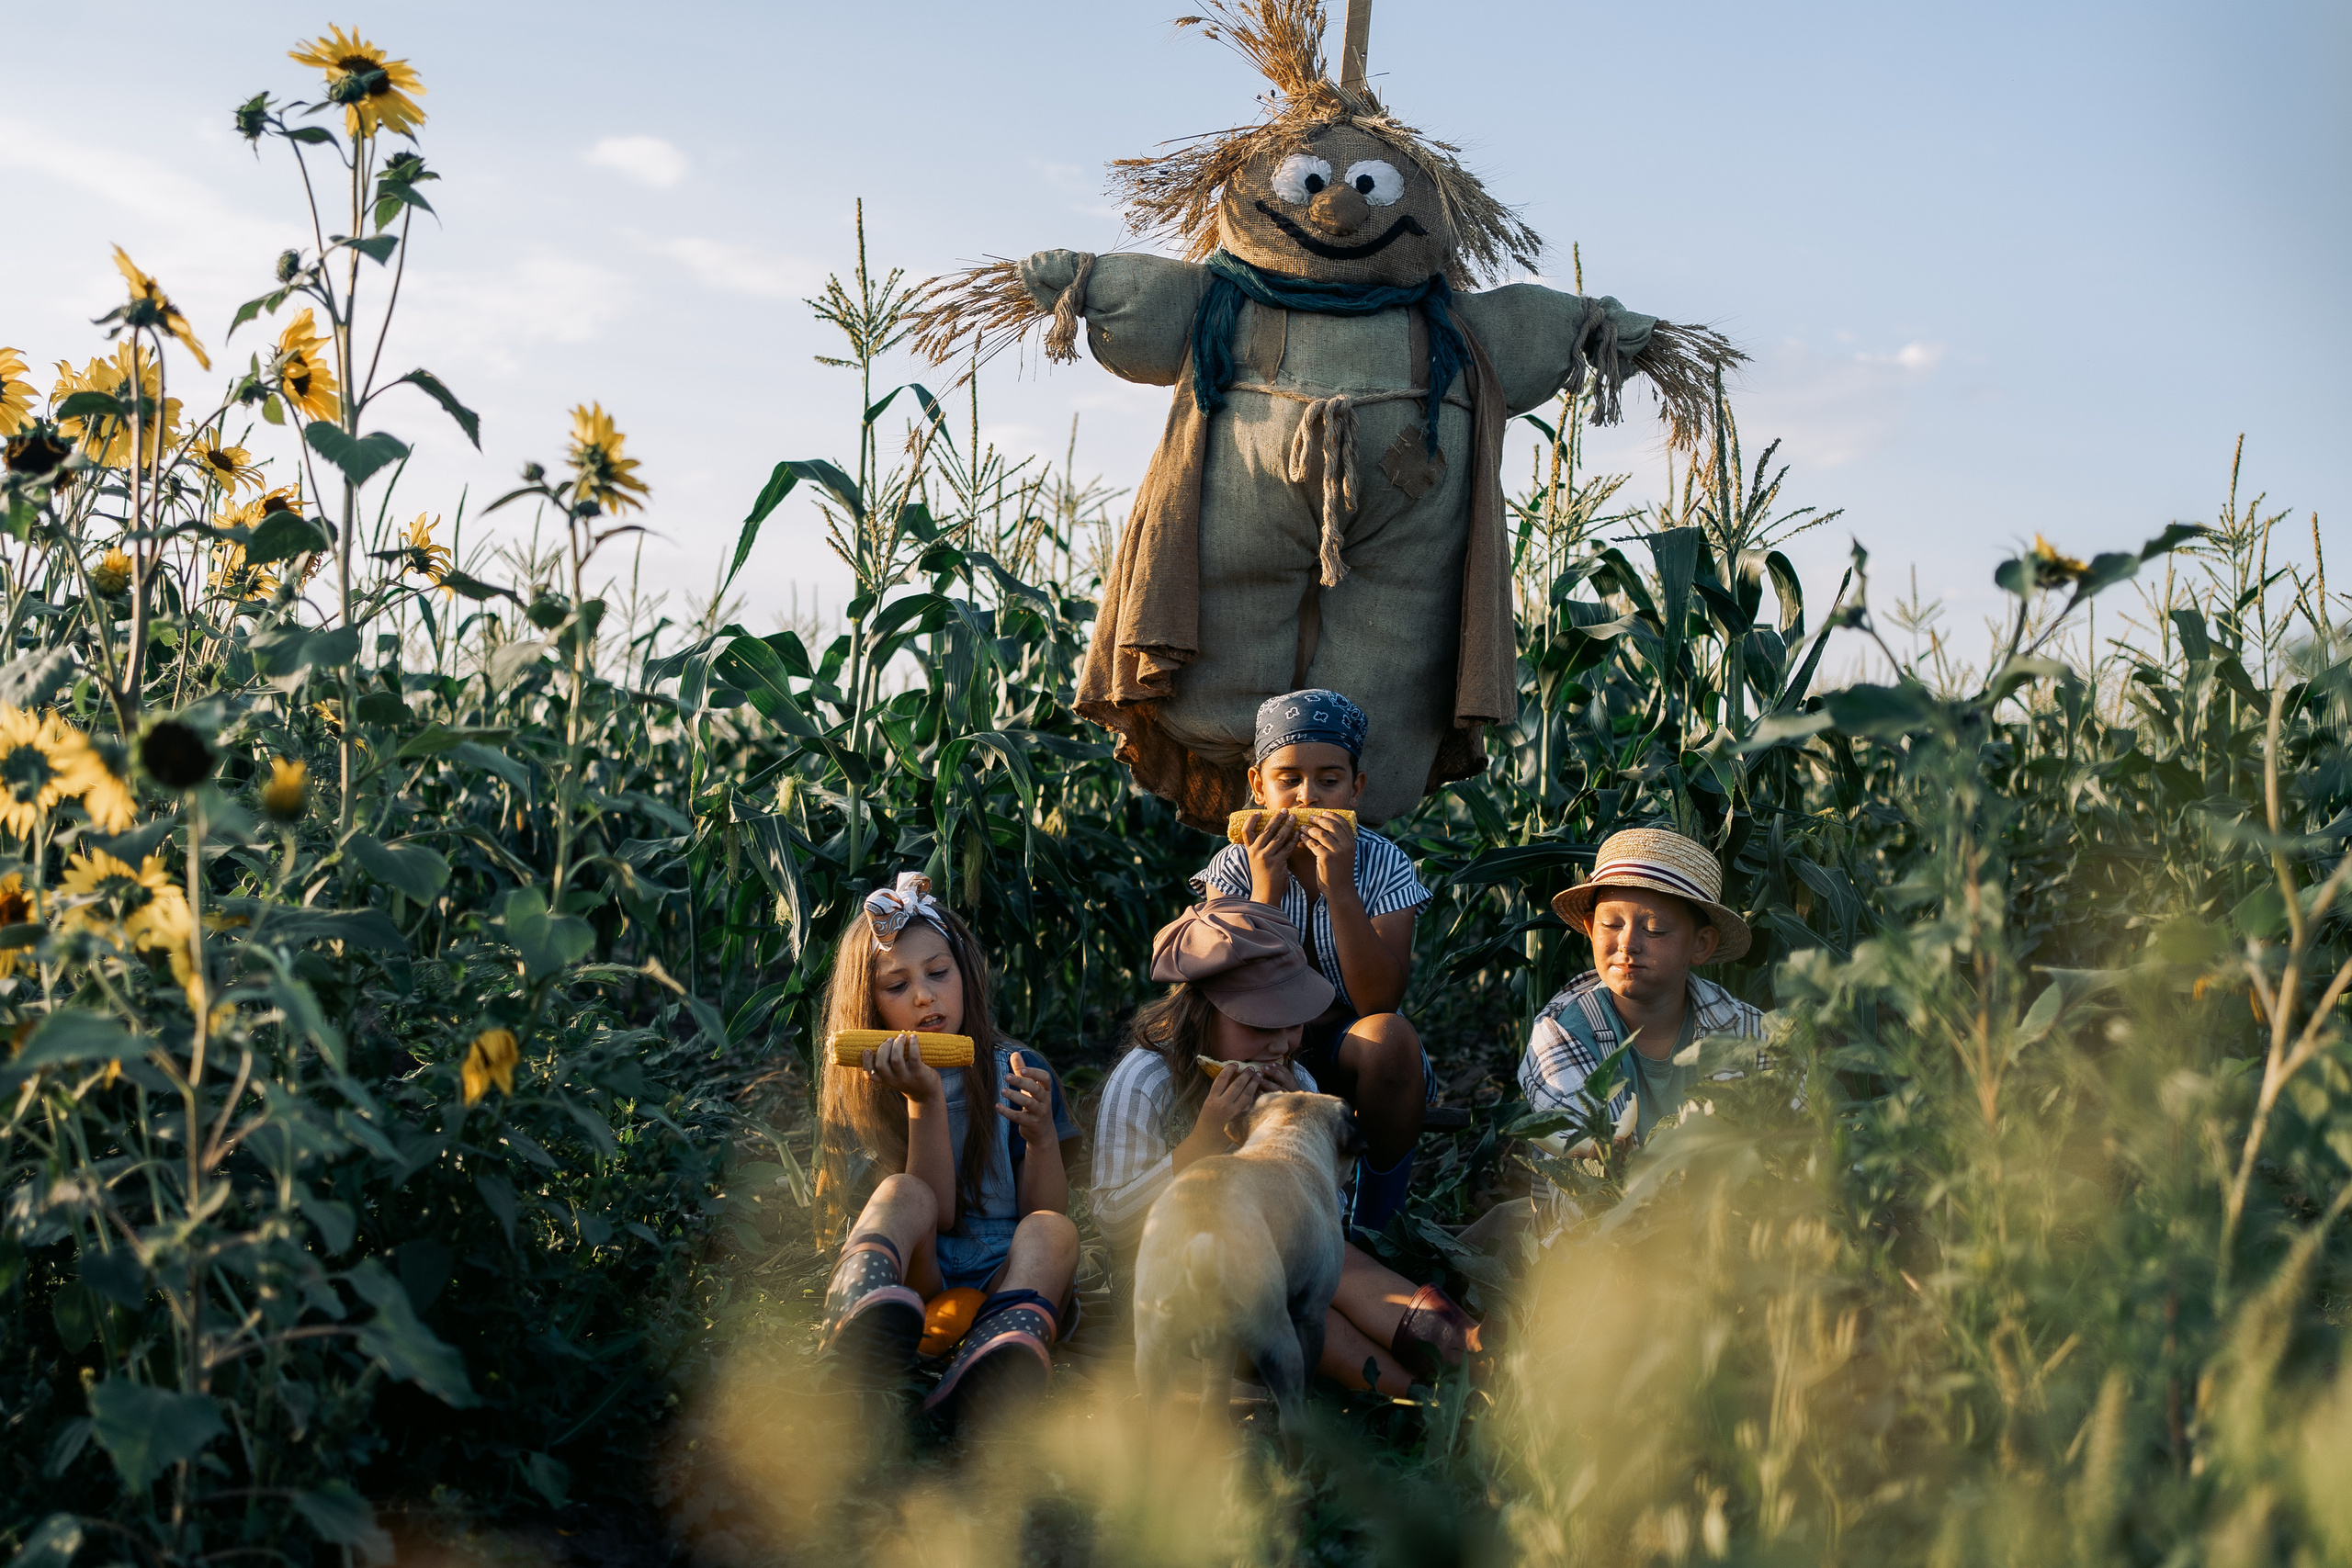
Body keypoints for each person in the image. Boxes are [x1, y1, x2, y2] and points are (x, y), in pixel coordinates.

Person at [1093, 897, 1482, 1394]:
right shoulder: (1146, 1079)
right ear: (1200, 1013)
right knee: (1302, 1312)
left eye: (1293, 1024)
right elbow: (1111, 1223)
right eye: (1258, 1027)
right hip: (1169, 1282)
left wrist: (1284, 1140)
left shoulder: (1295, 1080)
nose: (1280, 1045)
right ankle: (1420, 1396)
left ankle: (1478, 1354)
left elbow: (1329, 1216)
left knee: (1340, 1266)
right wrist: (1204, 1141)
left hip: (1281, 1259)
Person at [815, 873, 1082, 1424]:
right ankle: (857, 1313)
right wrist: (925, 1101)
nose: (923, 996)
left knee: (1056, 1231)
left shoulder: (1019, 1069)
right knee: (901, 1190)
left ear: (966, 975)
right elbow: (932, 1211)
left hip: (1006, 1274)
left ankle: (996, 1348)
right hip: (917, 1279)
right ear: (868, 1009)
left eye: (938, 973)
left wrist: (1040, 1138)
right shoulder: (868, 1093)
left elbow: (1042, 1210)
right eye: (896, 986)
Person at [1190, 688, 1431, 1234]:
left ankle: (1375, 1224)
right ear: (1257, 787)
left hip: (1350, 1045)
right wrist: (1266, 889)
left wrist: (1340, 889)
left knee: (1391, 1038)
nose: (1308, 797)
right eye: (1288, 780)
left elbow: (1379, 1000)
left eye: (1329, 780)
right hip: (1256, 1038)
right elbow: (1229, 990)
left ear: (1356, 788)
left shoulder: (1383, 863)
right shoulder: (1231, 866)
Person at [1520, 828, 1766, 1156]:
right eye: (1612, 925)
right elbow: (1585, 1147)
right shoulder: (1563, 1031)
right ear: (1591, 929)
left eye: (1654, 929)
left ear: (1701, 944)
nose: (1627, 945)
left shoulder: (1746, 1030)